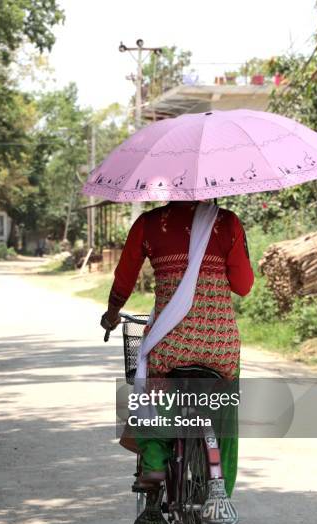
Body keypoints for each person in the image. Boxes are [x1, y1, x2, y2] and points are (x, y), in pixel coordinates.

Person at [101, 201, 254, 496]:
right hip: (219, 344)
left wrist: (112, 313)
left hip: (171, 344)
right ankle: (220, 488)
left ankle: (156, 463)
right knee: (225, 407)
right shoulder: (227, 222)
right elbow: (244, 286)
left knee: (150, 390)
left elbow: (124, 278)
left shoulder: (149, 223)